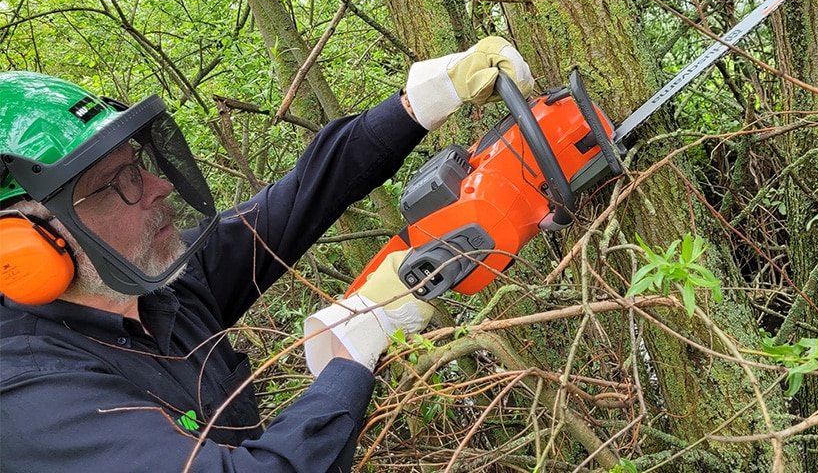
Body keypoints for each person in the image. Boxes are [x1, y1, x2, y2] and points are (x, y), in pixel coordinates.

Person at [0, 37, 533, 472]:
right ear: (23, 240)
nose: (159, 187)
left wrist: (423, 101)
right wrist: (354, 348)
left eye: (137, 162)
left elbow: (297, 201)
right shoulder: (29, 393)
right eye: (120, 182)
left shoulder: (158, 287)